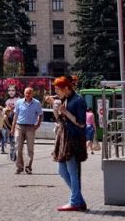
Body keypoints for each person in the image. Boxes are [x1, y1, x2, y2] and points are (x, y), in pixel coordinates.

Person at [53, 76, 88, 212]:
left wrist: (65, 111)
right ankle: (79, 200)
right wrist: (56, 109)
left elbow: (81, 123)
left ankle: (75, 201)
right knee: (61, 170)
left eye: (58, 89)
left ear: (66, 88)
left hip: (73, 139)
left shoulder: (78, 101)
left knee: (73, 172)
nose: (56, 91)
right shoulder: (65, 99)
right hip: (64, 138)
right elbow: (61, 120)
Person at [12, 86, 43, 175]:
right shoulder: (19, 102)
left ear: (32, 94)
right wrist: (12, 128)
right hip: (19, 126)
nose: (28, 94)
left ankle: (28, 167)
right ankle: (19, 167)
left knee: (30, 148)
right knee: (18, 147)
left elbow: (40, 114)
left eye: (29, 93)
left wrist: (38, 125)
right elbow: (15, 115)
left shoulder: (37, 103)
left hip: (30, 127)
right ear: (24, 93)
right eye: (26, 93)